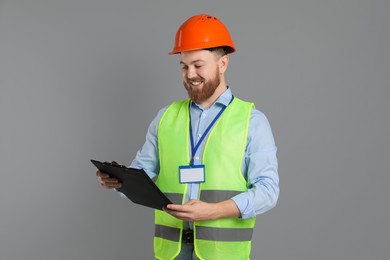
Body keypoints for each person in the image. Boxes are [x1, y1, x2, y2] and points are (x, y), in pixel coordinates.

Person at [96, 14, 279, 260]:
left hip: (222, 254)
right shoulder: (165, 117)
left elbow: (268, 191)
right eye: (184, 66)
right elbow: (143, 171)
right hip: (171, 253)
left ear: (223, 63)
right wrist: (120, 181)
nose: (190, 74)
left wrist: (213, 211)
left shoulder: (252, 121)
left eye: (198, 65)